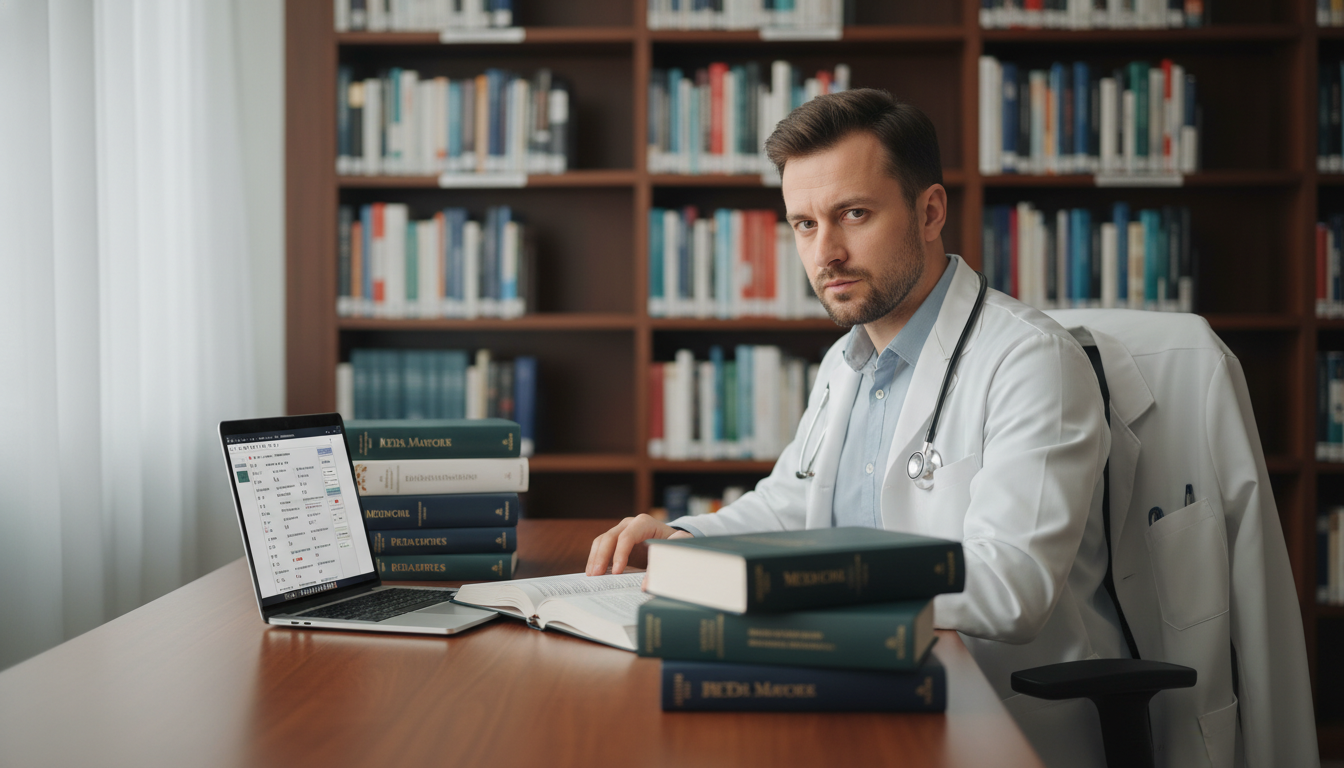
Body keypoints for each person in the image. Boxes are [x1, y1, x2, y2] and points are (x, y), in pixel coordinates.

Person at [587, 89, 1121, 767]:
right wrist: (687, 540)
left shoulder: (1031, 361)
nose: (826, 253)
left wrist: (812, 583)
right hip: (852, 694)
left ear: (930, 212)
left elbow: (1013, 587)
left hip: (991, 721)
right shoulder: (847, 359)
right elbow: (790, 505)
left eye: (853, 215)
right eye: (804, 224)